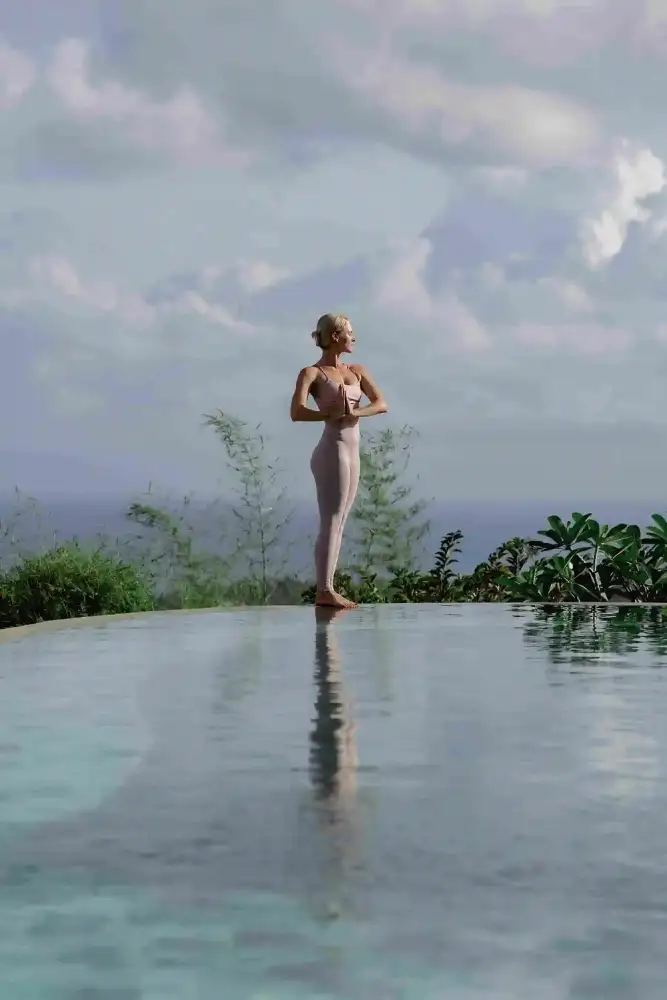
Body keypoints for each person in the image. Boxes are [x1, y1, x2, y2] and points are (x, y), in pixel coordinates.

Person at [290, 314, 388, 609]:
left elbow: (381, 404)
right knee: (331, 520)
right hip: (331, 450)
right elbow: (297, 412)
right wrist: (327, 415)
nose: (353, 338)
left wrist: (355, 413)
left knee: (341, 521)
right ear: (335, 336)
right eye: (349, 333)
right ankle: (324, 590)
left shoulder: (357, 371)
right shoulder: (312, 373)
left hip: (352, 449)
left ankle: (328, 587)